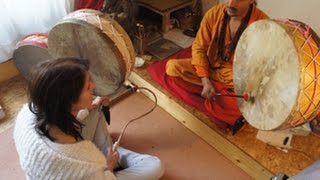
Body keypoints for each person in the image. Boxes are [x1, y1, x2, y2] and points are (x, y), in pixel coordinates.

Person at [13, 58, 164, 179]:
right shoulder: (82, 166)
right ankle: (110, 155)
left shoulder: (32, 109)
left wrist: (92, 105)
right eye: (87, 87)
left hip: (60, 165)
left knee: (95, 109)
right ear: (69, 102)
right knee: (155, 166)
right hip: (92, 172)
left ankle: (108, 151)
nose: (93, 86)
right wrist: (108, 165)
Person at [165, 0, 268, 131]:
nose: (230, 4)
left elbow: (261, 69)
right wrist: (205, 80)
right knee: (172, 68)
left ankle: (216, 96)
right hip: (210, 67)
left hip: (235, 78)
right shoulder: (214, 13)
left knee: (254, 99)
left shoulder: (264, 26)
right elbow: (199, 48)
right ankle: (218, 96)